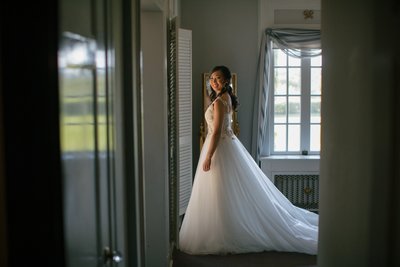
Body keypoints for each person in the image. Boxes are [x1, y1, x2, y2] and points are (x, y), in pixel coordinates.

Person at [179, 65, 318, 255]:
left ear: (226, 80)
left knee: (220, 191)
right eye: (211, 78)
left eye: (218, 78)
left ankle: (222, 234)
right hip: (228, 146)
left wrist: (209, 155)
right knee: (224, 192)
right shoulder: (223, 98)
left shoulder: (220, 101)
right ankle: (224, 230)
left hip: (220, 149)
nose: (214, 81)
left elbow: (217, 131)